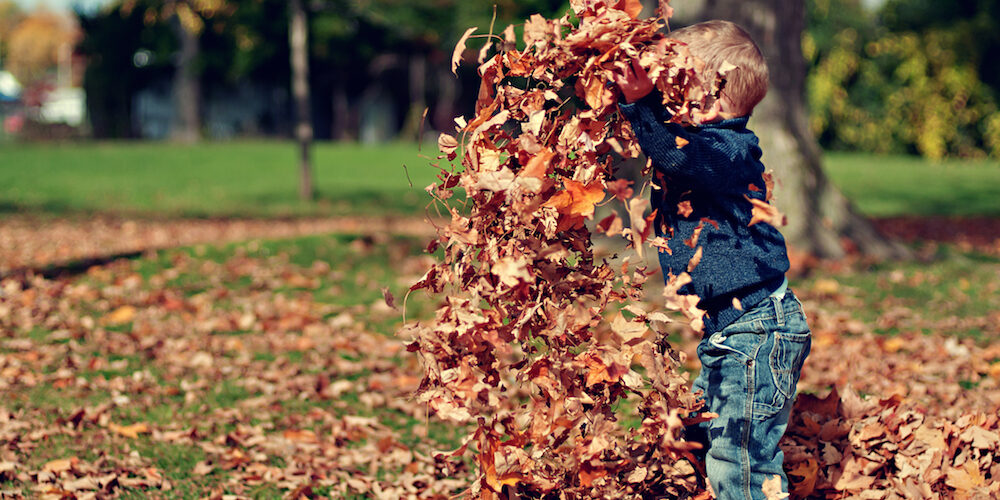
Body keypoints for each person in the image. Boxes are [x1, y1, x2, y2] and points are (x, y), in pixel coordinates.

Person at [613, 20, 812, 500]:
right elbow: (668, 145)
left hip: (758, 333)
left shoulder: (729, 149)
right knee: (702, 431)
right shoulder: (704, 144)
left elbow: (679, 157)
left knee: (740, 460)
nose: (668, 99)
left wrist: (641, 106)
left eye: (679, 89)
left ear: (714, 101)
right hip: (730, 333)